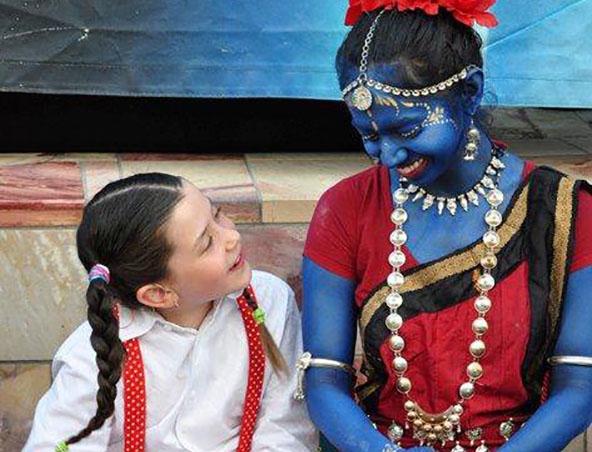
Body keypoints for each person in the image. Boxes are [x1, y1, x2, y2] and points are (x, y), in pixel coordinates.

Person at [298, 1, 592, 451]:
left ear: (469, 92)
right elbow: (323, 379)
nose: (389, 155)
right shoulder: (345, 207)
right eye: (369, 134)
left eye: (409, 129)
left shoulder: (564, 210)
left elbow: (579, 387)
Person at [23, 172, 317, 452]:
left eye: (217, 215)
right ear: (158, 294)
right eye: (207, 243)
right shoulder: (91, 360)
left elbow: (284, 428)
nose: (232, 238)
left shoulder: (270, 301)